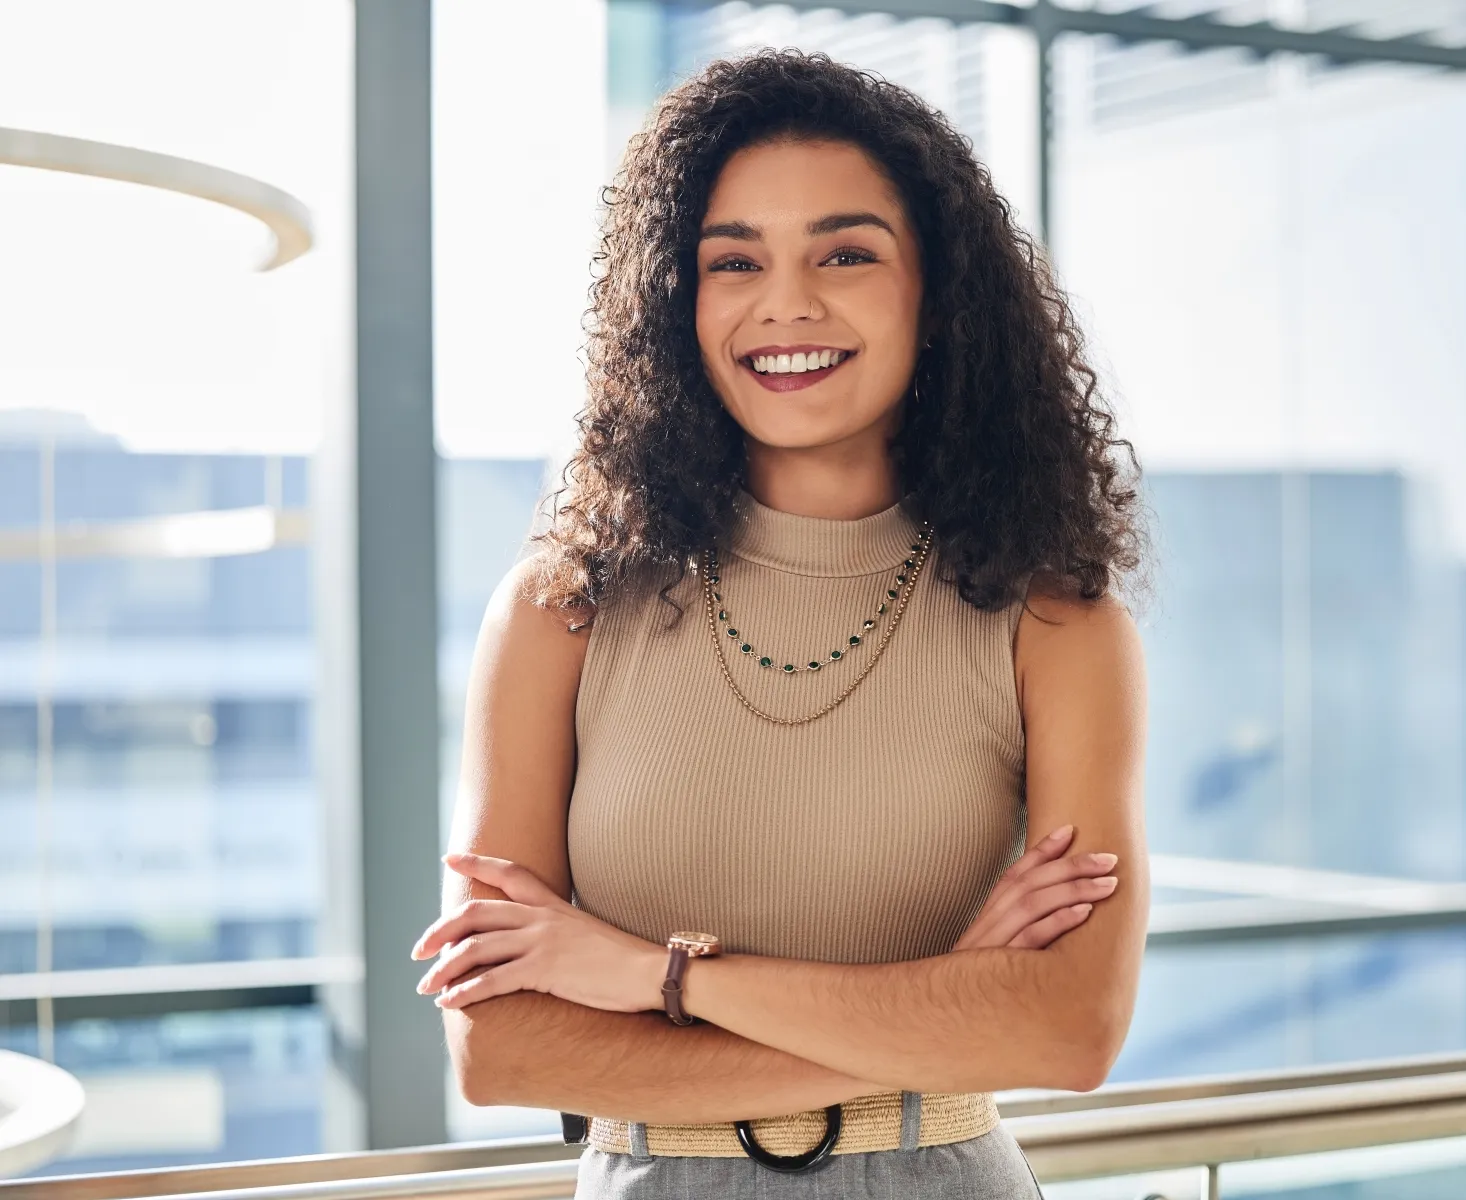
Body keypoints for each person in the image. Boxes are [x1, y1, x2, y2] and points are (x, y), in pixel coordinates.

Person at [410, 48, 1150, 1199]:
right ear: (676, 303)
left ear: (939, 298)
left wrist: (654, 979)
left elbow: (1066, 1032)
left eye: (845, 253)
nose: (785, 303)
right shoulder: (563, 608)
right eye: (733, 260)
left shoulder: (1050, 619)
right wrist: (945, 999)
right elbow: (501, 1050)